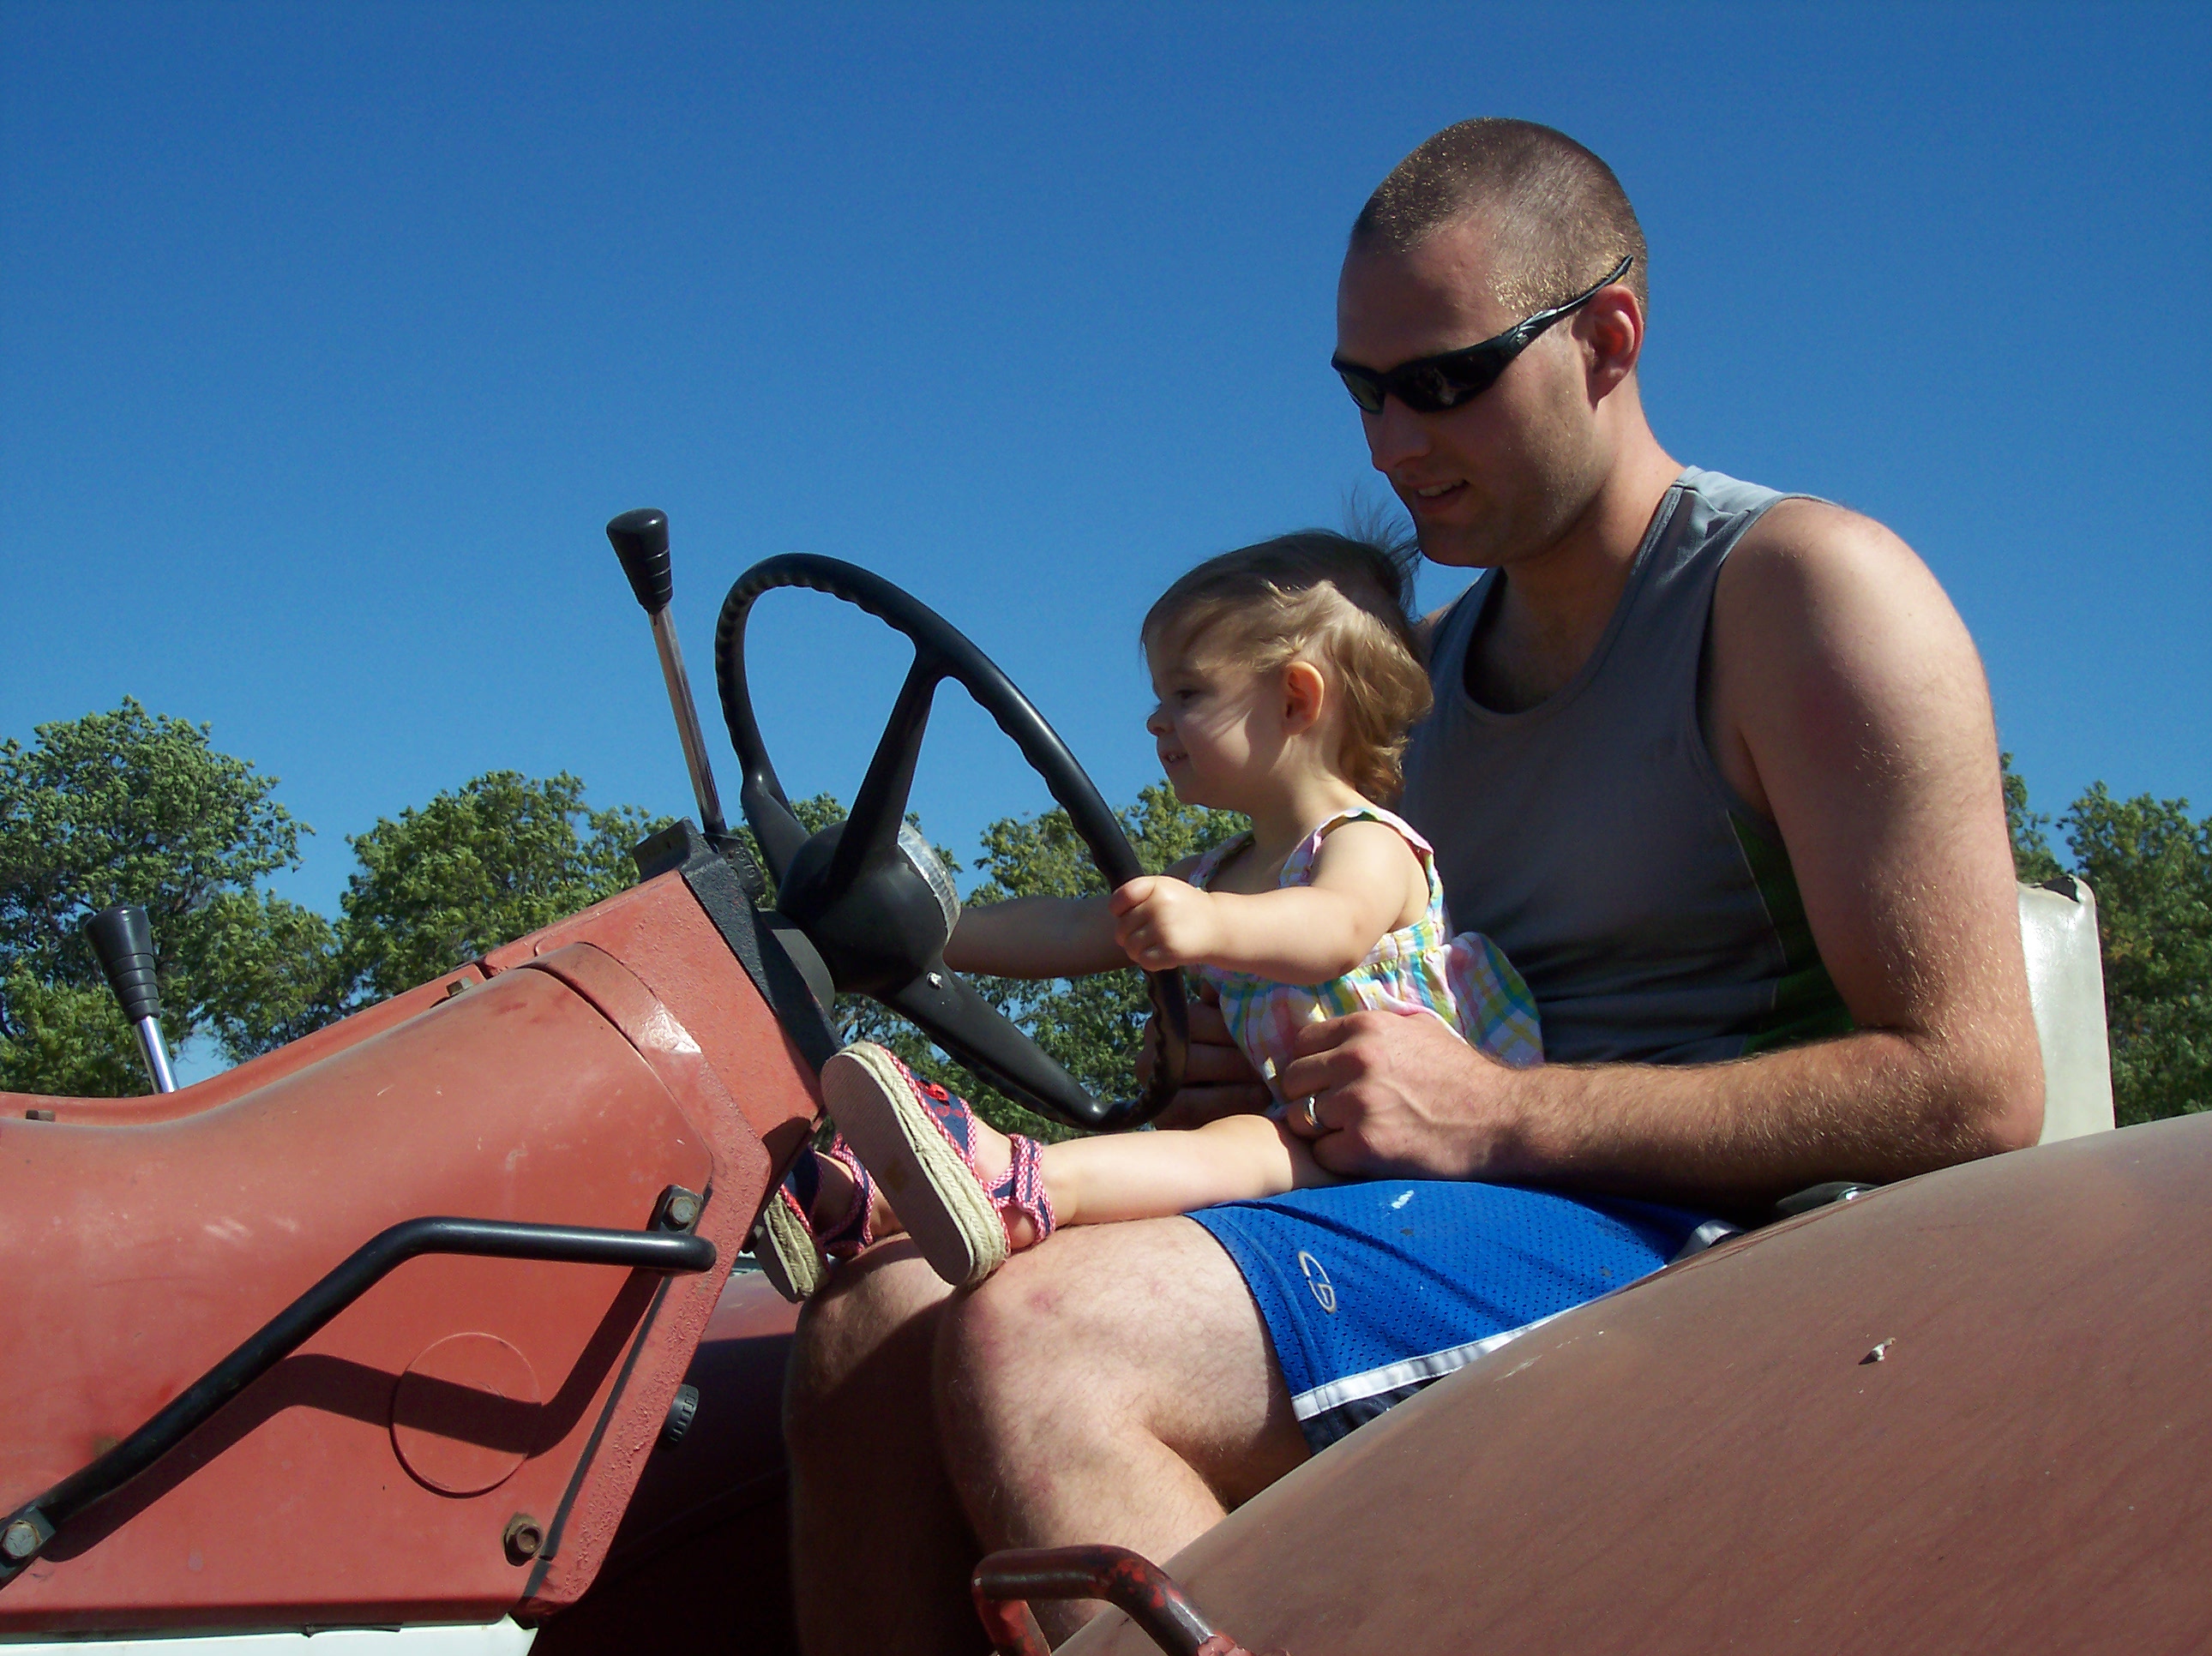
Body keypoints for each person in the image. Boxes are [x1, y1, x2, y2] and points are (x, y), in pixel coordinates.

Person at [784, 117, 2044, 1656]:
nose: (1390, 444)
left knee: (1049, 1341)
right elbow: (1340, 954)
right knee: (871, 1321)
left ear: (1606, 339)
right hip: (1435, 1205)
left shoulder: (1796, 597)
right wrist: (1225, 1055)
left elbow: (1976, 1087)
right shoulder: (1410, 690)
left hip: (1715, 1242)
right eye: (1363, 389)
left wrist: (1504, 1116)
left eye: (1443, 381)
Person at [763, 533, 1549, 1293]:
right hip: (1308, 1133)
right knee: (1223, 1147)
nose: (1154, 720)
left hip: (1407, 1155)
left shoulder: (1367, 841)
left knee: (1229, 1150)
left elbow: (1335, 929)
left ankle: (1018, 1182)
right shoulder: (1214, 873)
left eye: (1189, 693)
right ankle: (865, 1202)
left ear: (1295, 698)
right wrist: (920, 932)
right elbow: (1071, 927)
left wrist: (1210, 925)